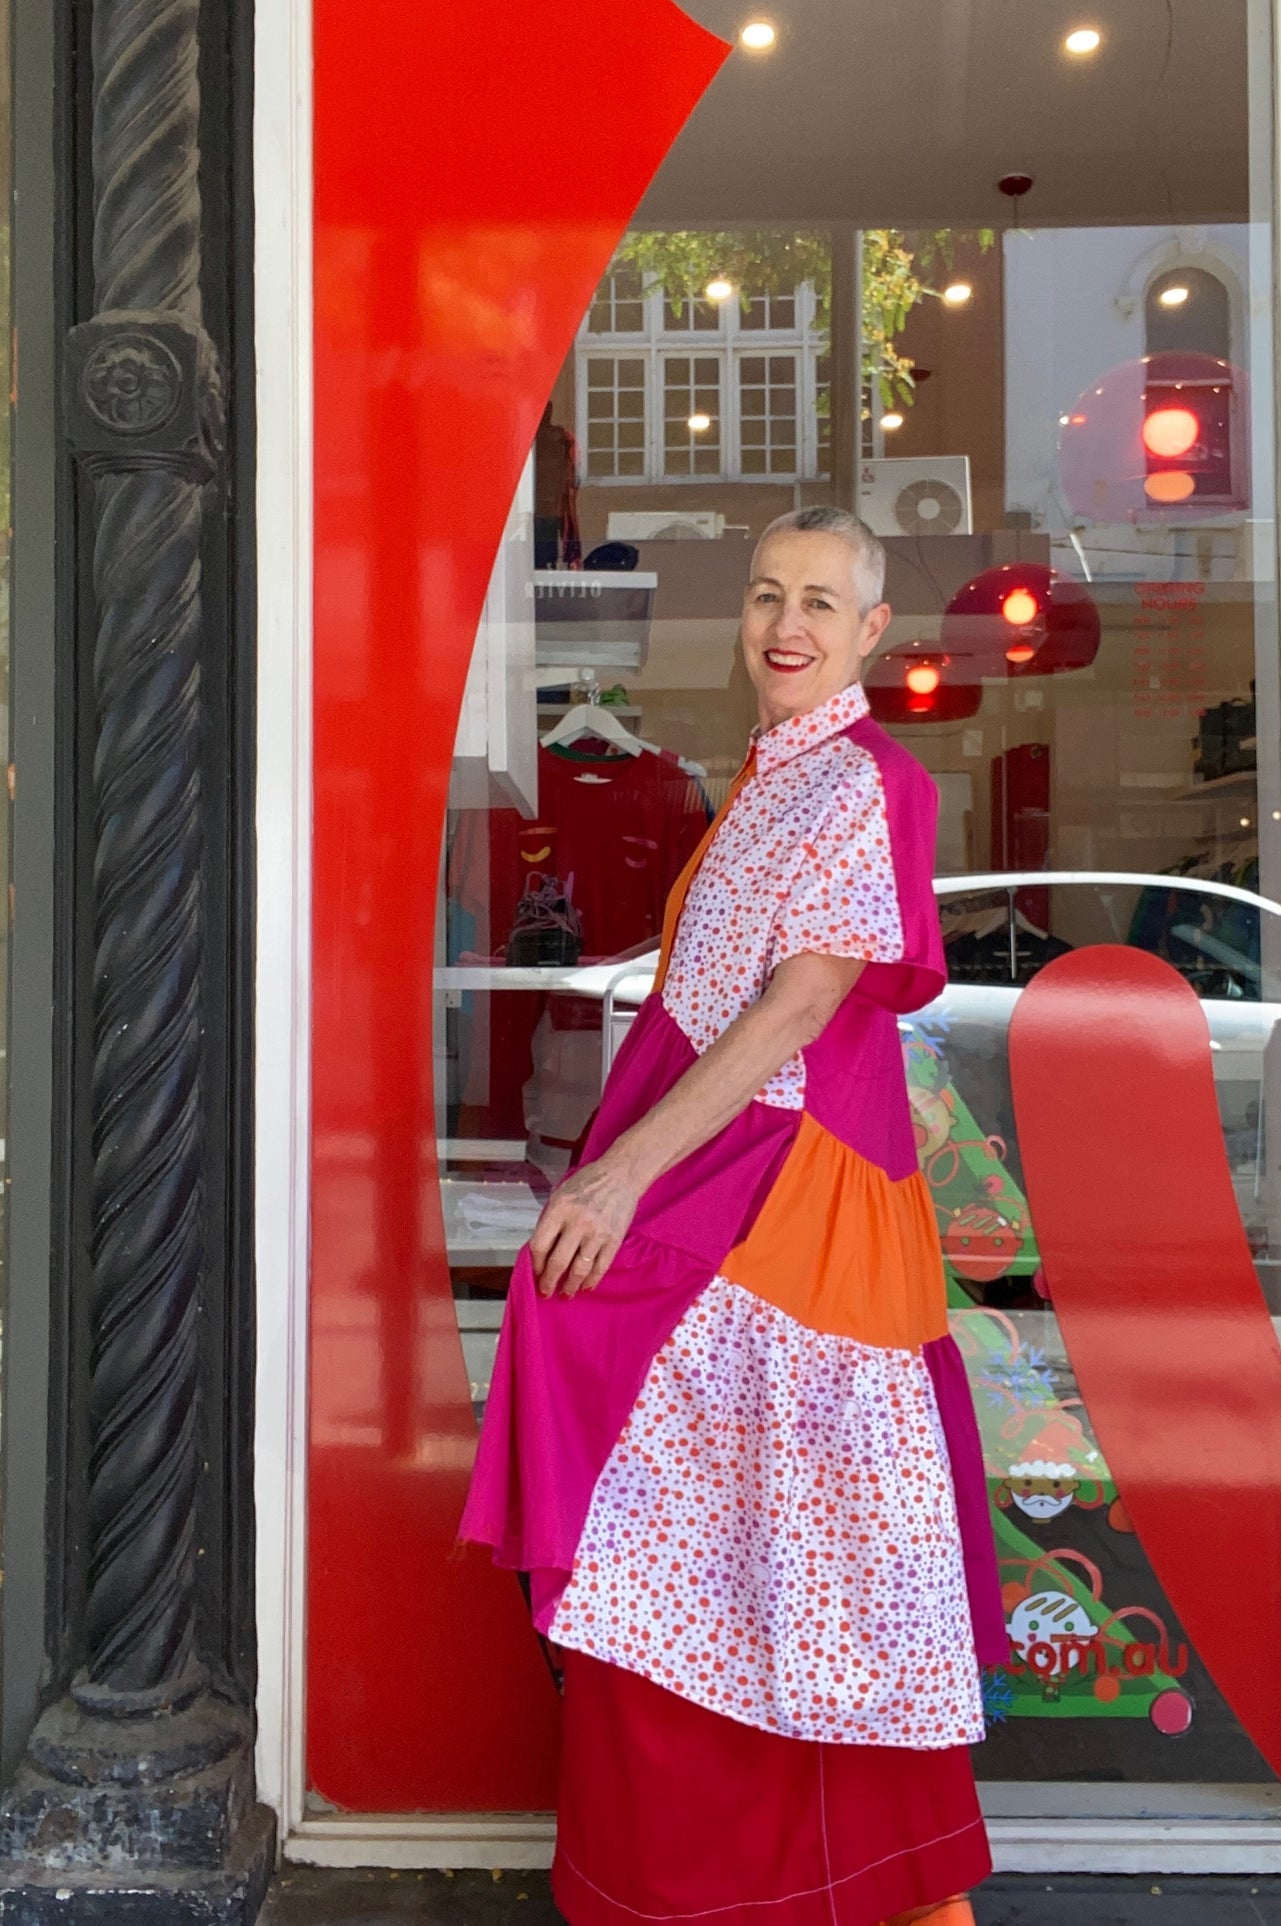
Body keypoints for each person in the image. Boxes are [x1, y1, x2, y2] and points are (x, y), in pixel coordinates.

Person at [460, 505, 1005, 1926]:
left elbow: (805, 999)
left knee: (765, 1515)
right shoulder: (772, 775)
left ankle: (814, 1883)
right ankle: (709, 1876)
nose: (789, 621)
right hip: (741, 1158)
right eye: (768, 593)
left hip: (793, 1177)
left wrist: (624, 1170)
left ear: (871, 632)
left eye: (822, 600)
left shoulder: (864, 779)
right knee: (730, 1521)